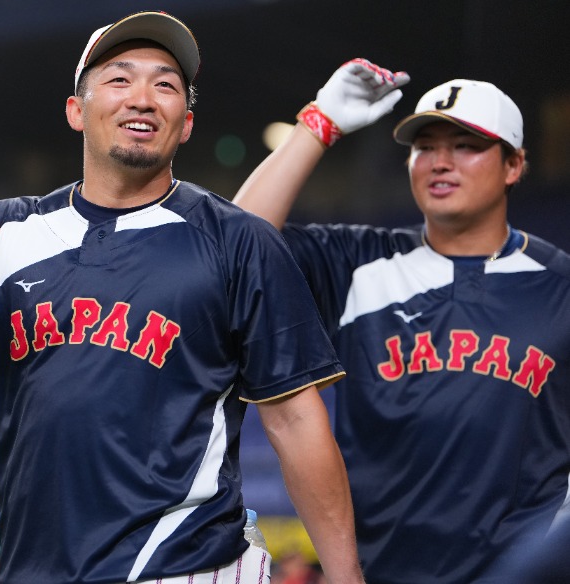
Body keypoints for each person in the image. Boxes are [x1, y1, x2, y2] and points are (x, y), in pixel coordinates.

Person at [0, 11, 365, 584]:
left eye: (165, 85)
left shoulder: (239, 241)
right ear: (76, 111)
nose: (143, 98)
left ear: (185, 123)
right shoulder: (9, 232)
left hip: (189, 567)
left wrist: (346, 577)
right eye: (119, 80)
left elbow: (295, 421)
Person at [233, 60, 570, 583]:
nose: (440, 161)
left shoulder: (561, 285)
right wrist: (319, 123)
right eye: (425, 146)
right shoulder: (359, 261)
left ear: (513, 165)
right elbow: (235, 247)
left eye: (467, 146)